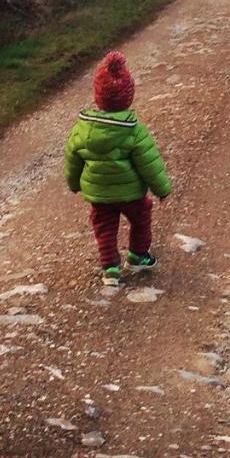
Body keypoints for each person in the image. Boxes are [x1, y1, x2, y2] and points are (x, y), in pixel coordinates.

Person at [64, 51, 173, 287]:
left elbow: (72, 160)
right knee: (141, 219)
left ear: (98, 97)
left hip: (100, 196)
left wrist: (73, 184)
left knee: (104, 228)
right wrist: (162, 189)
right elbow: (150, 163)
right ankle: (138, 255)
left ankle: (110, 268)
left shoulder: (82, 129)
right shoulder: (134, 130)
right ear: (128, 97)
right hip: (132, 194)